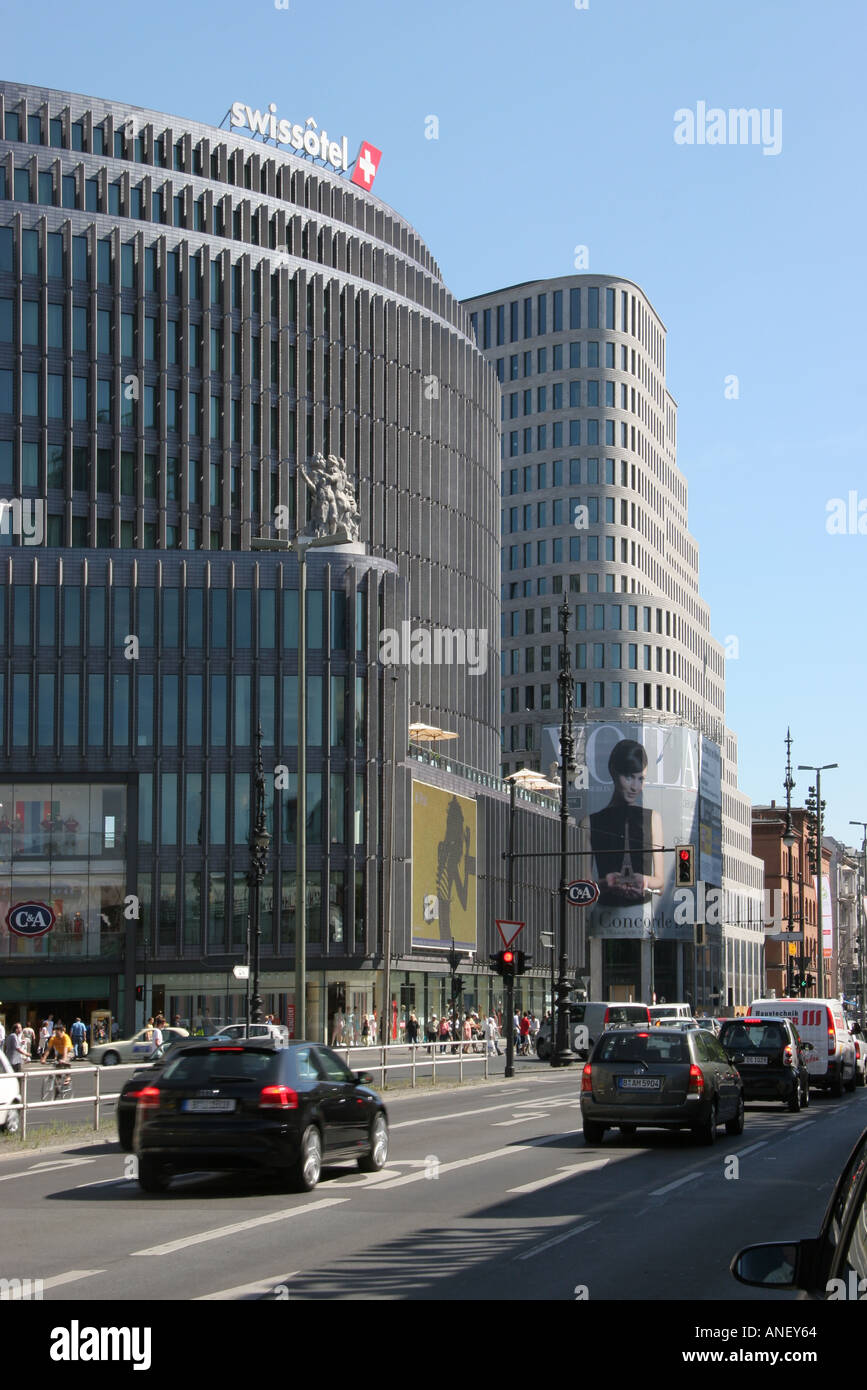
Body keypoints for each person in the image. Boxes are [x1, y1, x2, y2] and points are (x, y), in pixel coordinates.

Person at [583, 739, 664, 906]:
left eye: (640, 779)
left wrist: (644, 881)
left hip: (643, 917)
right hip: (604, 918)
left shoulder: (653, 818)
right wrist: (606, 883)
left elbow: (660, 883)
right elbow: (584, 888)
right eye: (629, 777)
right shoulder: (589, 823)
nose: (635, 787)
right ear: (613, 772)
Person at [41, 1023, 74, 1099]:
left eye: (57, 1032)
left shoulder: (66, 1037)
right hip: (60, 1053)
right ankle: (57, 1091)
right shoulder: (53, 1038)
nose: (56, 1034)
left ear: (62, 1031)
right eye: (55, 1032)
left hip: (69, 1052)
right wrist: (44, 1058)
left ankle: (68, 1077)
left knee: (66, 1061)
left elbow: (66, 1049)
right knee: (57, 1072)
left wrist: (64, 1059)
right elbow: (48, 1049)